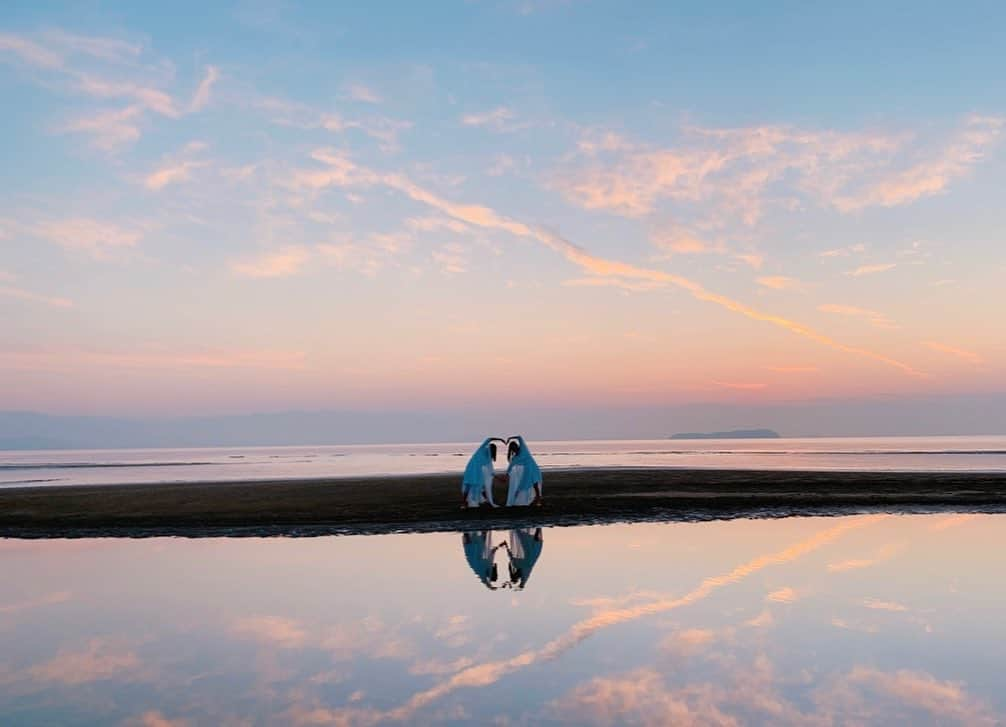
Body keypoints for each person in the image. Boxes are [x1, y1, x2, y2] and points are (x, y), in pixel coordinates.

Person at [504, 435, 543, 507]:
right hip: (527, 471)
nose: (514, 449)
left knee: (535, 483)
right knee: (526, 485)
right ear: (511, 450)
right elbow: (510, 467)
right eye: (513, 448)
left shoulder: (523, 449)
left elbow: (519, 437)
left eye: (515, 447)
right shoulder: (515, 458)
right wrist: (506, 475)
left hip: (533, 467)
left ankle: (538, 499)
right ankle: (533, 499)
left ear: (517, 446)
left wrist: (510, 438)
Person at [461, 437, 499, 509]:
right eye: (491, 450)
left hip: (478, 471)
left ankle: (485, 499)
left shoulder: (488, 457)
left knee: (480, 485)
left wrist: (497, 477)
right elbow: (488, 439)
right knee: (468, 484)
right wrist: (499, 439)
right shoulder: (482, 449)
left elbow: (490, 469)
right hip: (471, 468)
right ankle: (464, 503)